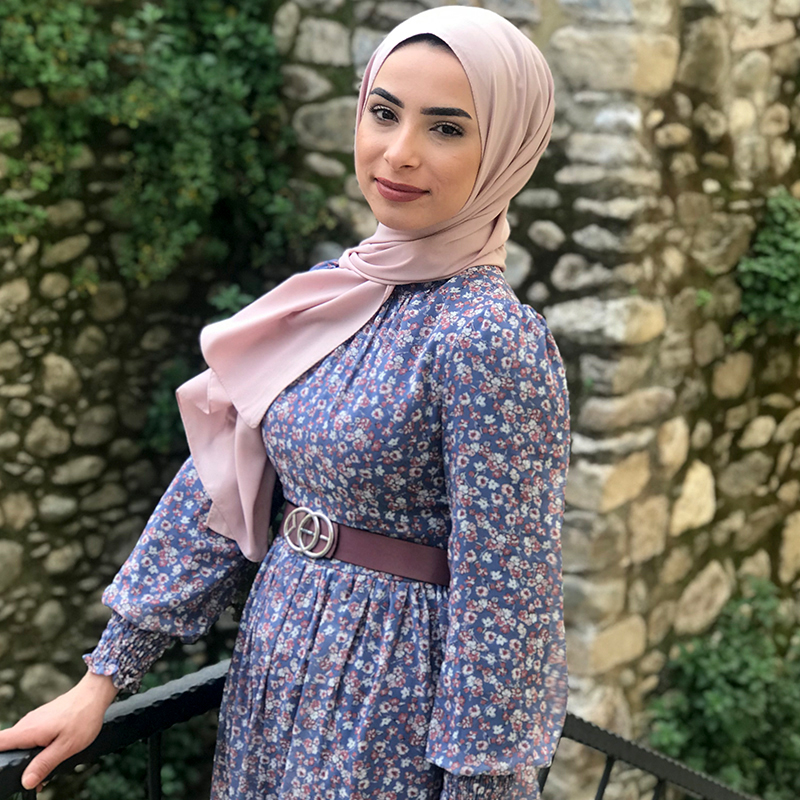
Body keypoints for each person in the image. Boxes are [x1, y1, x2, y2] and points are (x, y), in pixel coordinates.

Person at [0, 6, 570, 799]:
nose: (399, 152)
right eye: (384, 113)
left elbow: (507, 593)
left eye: (446, 128)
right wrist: (103, 679)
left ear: (507, 149)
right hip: (277, 668)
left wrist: (479, 784)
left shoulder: (488, 339)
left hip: (393, 702)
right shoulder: (330, 296)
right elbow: (218, 487)